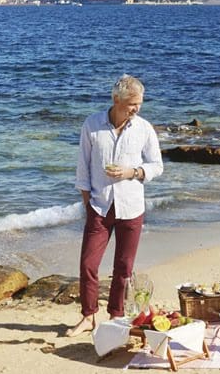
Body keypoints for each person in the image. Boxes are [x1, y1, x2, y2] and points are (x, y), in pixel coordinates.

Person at [65, 75, 164, 337]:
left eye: (140, 104)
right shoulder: (92, 125)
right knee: (88, 264)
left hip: (131, 207)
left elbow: (157, 166)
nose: (136, 109)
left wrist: (132, 172)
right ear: (116, 99)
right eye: (132, 103)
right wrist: (88, 204)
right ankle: (88, 317)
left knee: (123, 268)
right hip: (99, 206)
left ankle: (115, 317)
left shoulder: (143, 128)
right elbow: (82, 168)